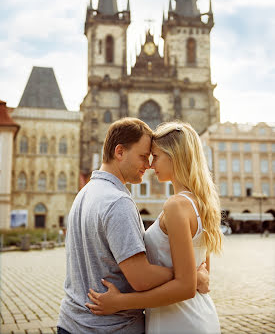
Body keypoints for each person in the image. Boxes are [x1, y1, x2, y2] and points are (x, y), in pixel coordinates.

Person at [57, 118, 209, 334]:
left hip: (71, 322)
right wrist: (191, 275)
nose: (148, 165)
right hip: (111, 327)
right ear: (119, 152)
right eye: (143, 156)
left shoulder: (84, 193)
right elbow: (142, 279)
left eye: (152, 157)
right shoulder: (117, 201)